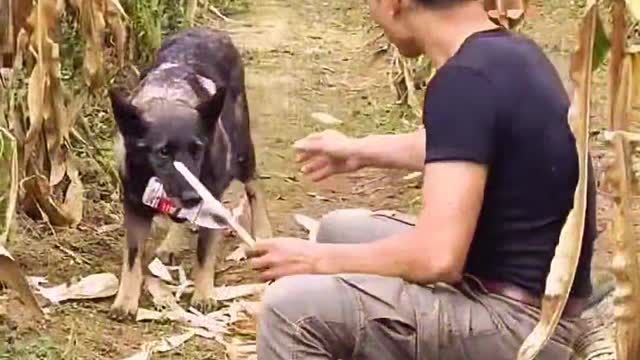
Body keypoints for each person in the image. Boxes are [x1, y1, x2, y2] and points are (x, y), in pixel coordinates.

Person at [249, 0, 597, 358]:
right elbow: (462, 142)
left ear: (393, 4)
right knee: (340, 229)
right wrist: (356, 151)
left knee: (291, 310)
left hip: (520, 327)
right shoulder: (509, 54)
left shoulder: (463, 79)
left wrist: (314, 261)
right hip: (543, 301)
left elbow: (437, 258)